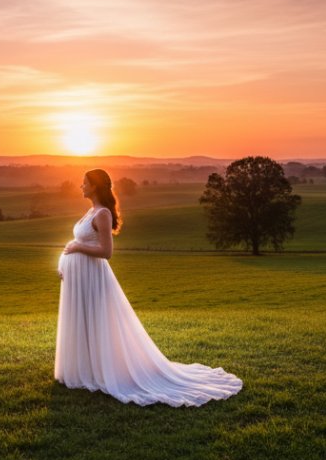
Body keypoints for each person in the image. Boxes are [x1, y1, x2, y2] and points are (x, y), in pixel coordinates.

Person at [55, 168, 243, 406]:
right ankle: (88, 369)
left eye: (84, 183)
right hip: (80, 278)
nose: (80, 186)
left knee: (97, 321)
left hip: (93, 277)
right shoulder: (90, 211)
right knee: (83, 322)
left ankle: (105, 371)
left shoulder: (102, 214)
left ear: (94, 186)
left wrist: (77, 249)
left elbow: (106, 252)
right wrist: (66, 260)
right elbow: (79, 242)